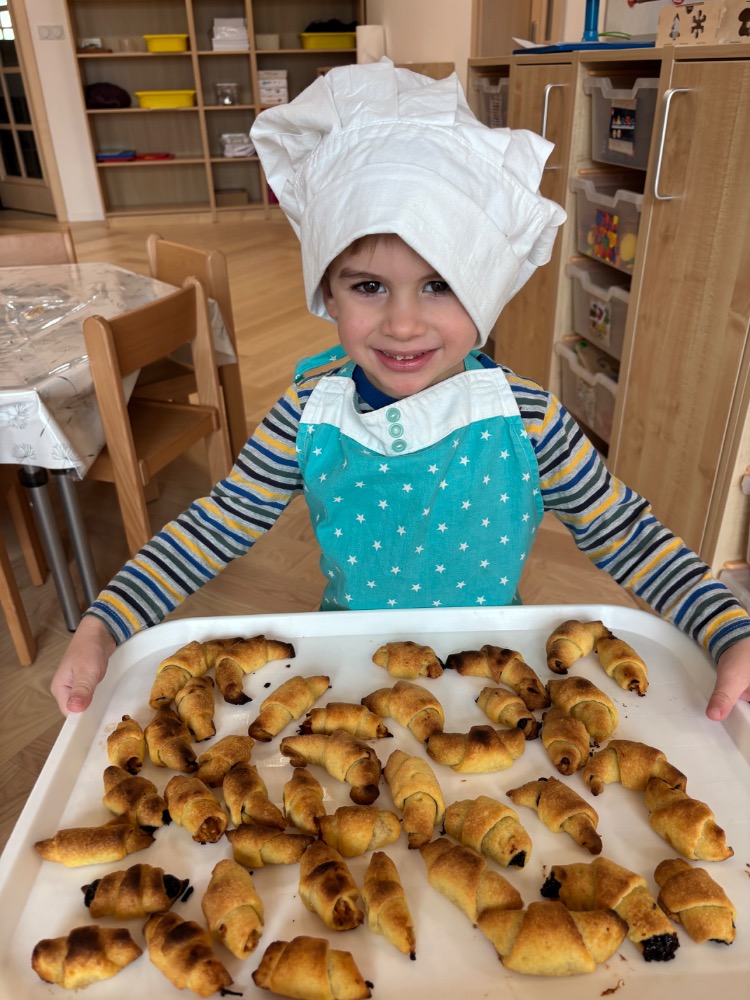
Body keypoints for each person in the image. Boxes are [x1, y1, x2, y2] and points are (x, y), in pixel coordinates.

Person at [51, 59, 750, 722]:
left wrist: (728, 631)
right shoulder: (306, 416)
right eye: (369, 286)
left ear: (488, 289)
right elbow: (216, 525)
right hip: (352, 671)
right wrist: (104, 626)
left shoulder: (528, 420)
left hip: (492, 673)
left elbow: (624, 532)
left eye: (440, 284)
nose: (404, 323)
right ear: (328, 291)